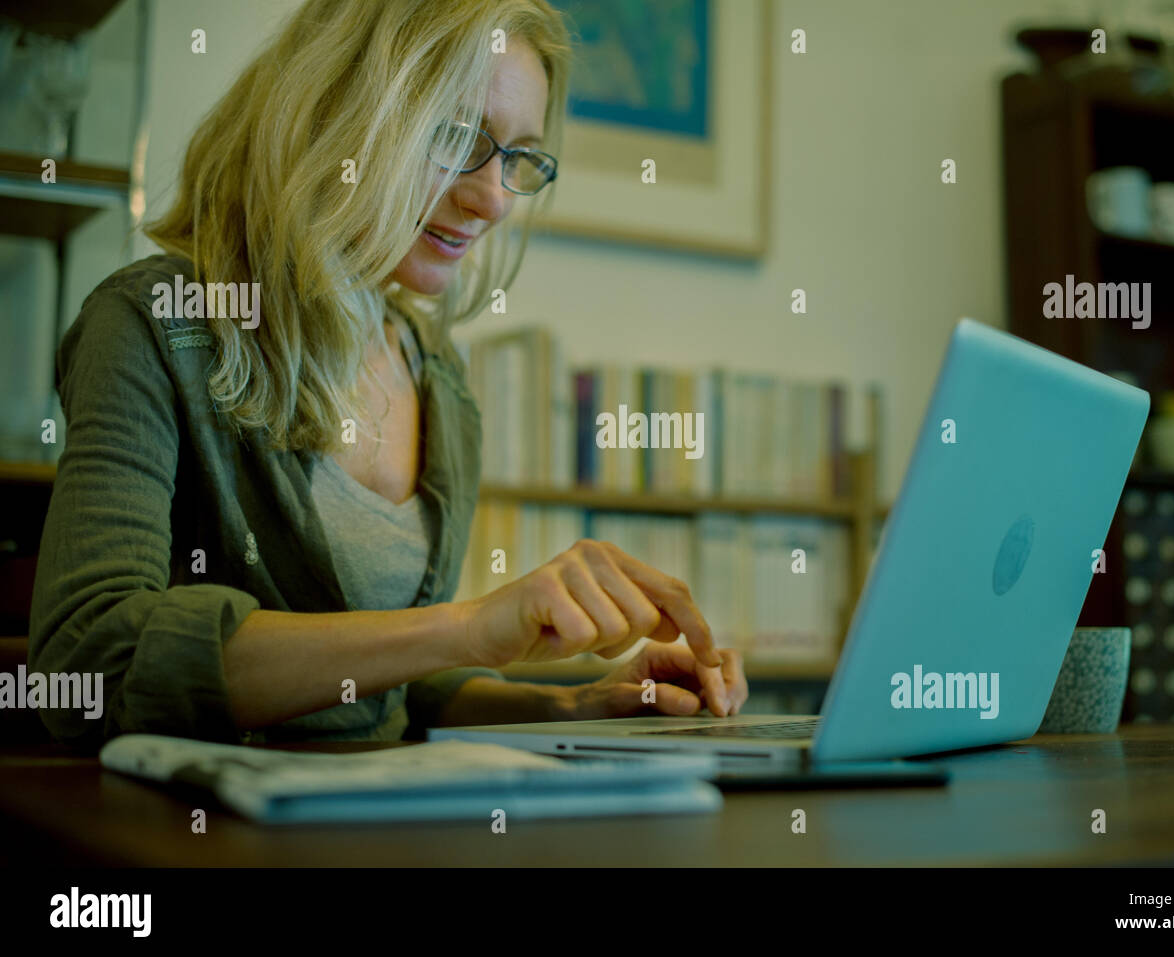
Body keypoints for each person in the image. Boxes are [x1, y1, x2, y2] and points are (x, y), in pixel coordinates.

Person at [29, 0, 747, 749]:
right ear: (335, 111)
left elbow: (395, 688)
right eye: (453, 136)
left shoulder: (439, 380)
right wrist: (469, 624)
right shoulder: (154, 322)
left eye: (516, 156)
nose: (495, 198)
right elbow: (89, 663)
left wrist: (573, 707)